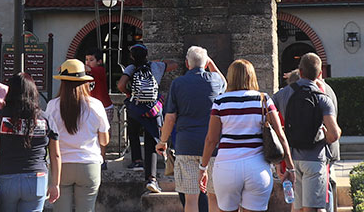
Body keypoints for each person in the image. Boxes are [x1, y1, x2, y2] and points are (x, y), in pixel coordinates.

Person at [200, 58, 290, 212]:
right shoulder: (263, 99)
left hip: (227, 166)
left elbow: (211, 139)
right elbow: (280, 135)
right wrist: (290, 167)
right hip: (257, 166)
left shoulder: (220, 101)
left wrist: (203, 167)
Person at [0, 73, 61, 212]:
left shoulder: (0, 117)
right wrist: (55, 184)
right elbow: (55, 155)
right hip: (37, 178)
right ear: (33, 92)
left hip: (6, 178)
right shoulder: (45, 119)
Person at [156, 45, 226, 212]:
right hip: (212, 147)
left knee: (191, 199)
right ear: (207, 62)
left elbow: (170, 117)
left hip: (186, 145)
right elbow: (224, 82)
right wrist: (211, 63)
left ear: (187, 63)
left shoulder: (178, 83)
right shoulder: (215, 81)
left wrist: (163, 141)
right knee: (213, 197)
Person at [272, 53, 341, 212]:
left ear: (300, 72)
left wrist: (278, 160)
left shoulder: (282, 94)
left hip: (291, 158)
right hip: (314, 158)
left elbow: (268, 122)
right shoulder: (322, 98)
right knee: (315, 208)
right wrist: (326, 137)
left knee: (296, 207)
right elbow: (334, 134)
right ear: (319, 74)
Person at [44, 59, 111, 212]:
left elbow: (48, 137)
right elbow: (104, 140)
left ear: (62, 82)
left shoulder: (52, 106)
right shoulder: (95, 105)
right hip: (88, 165)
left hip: (61, 166)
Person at [119, 43, 166, 192]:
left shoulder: (130, 68)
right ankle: (151, 178)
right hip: (152, 109)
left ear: (132, 56)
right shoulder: (155, 67)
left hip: (135, 107)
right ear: (146, 55)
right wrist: (160, 63)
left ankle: (137, 161)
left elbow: (121, 85)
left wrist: (129, 94)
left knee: (133, 132)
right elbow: (174, 65)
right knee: (150, 139)